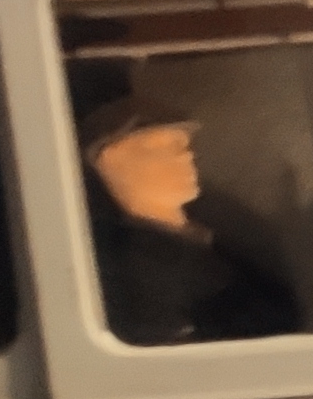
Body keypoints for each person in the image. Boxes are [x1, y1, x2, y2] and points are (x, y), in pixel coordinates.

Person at [80, 88, 301, 344]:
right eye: (164, 147)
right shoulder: (130, 270)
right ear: (111, 161)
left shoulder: (220, 239)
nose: (186, 155)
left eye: (184, 144)